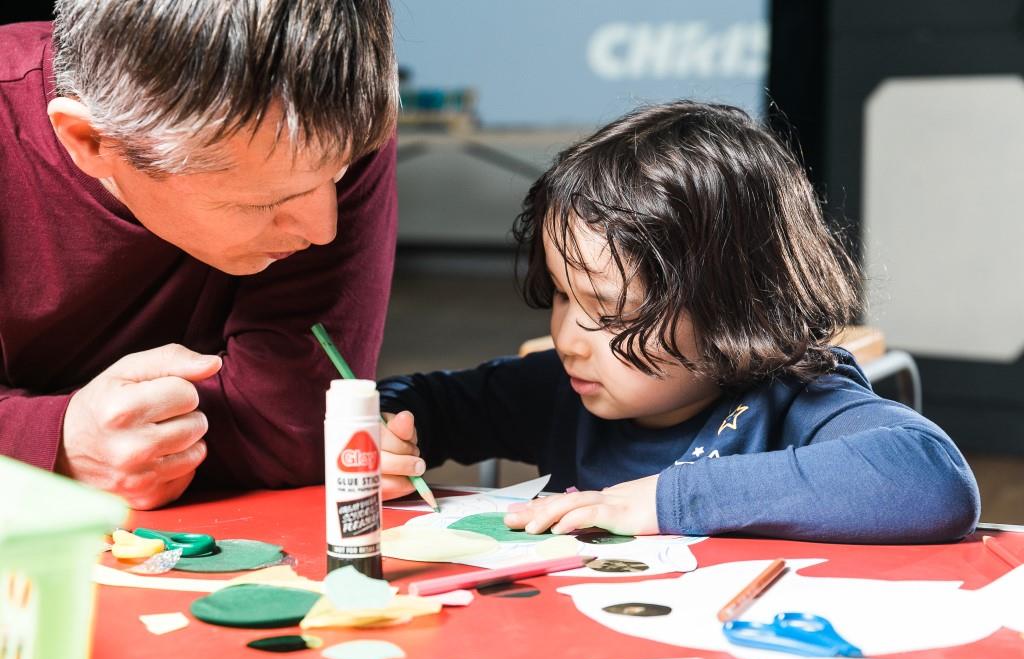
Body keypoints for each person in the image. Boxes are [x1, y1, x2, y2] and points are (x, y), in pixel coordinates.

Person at [376, 100, 980, 543]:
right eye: (560, 296)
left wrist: (663, 501)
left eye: (608, 311)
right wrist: (384, 434)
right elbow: (418, 399)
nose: (566, 339)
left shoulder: (793, 400)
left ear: (733, 307)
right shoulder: (559, 391)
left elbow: (931, 479)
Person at [0, 0, 399, 509]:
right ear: (92, 140)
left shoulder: (327, 120)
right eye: (265, 201)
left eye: (337, 176)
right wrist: (56, 442)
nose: (323, 230)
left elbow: (293, 428)